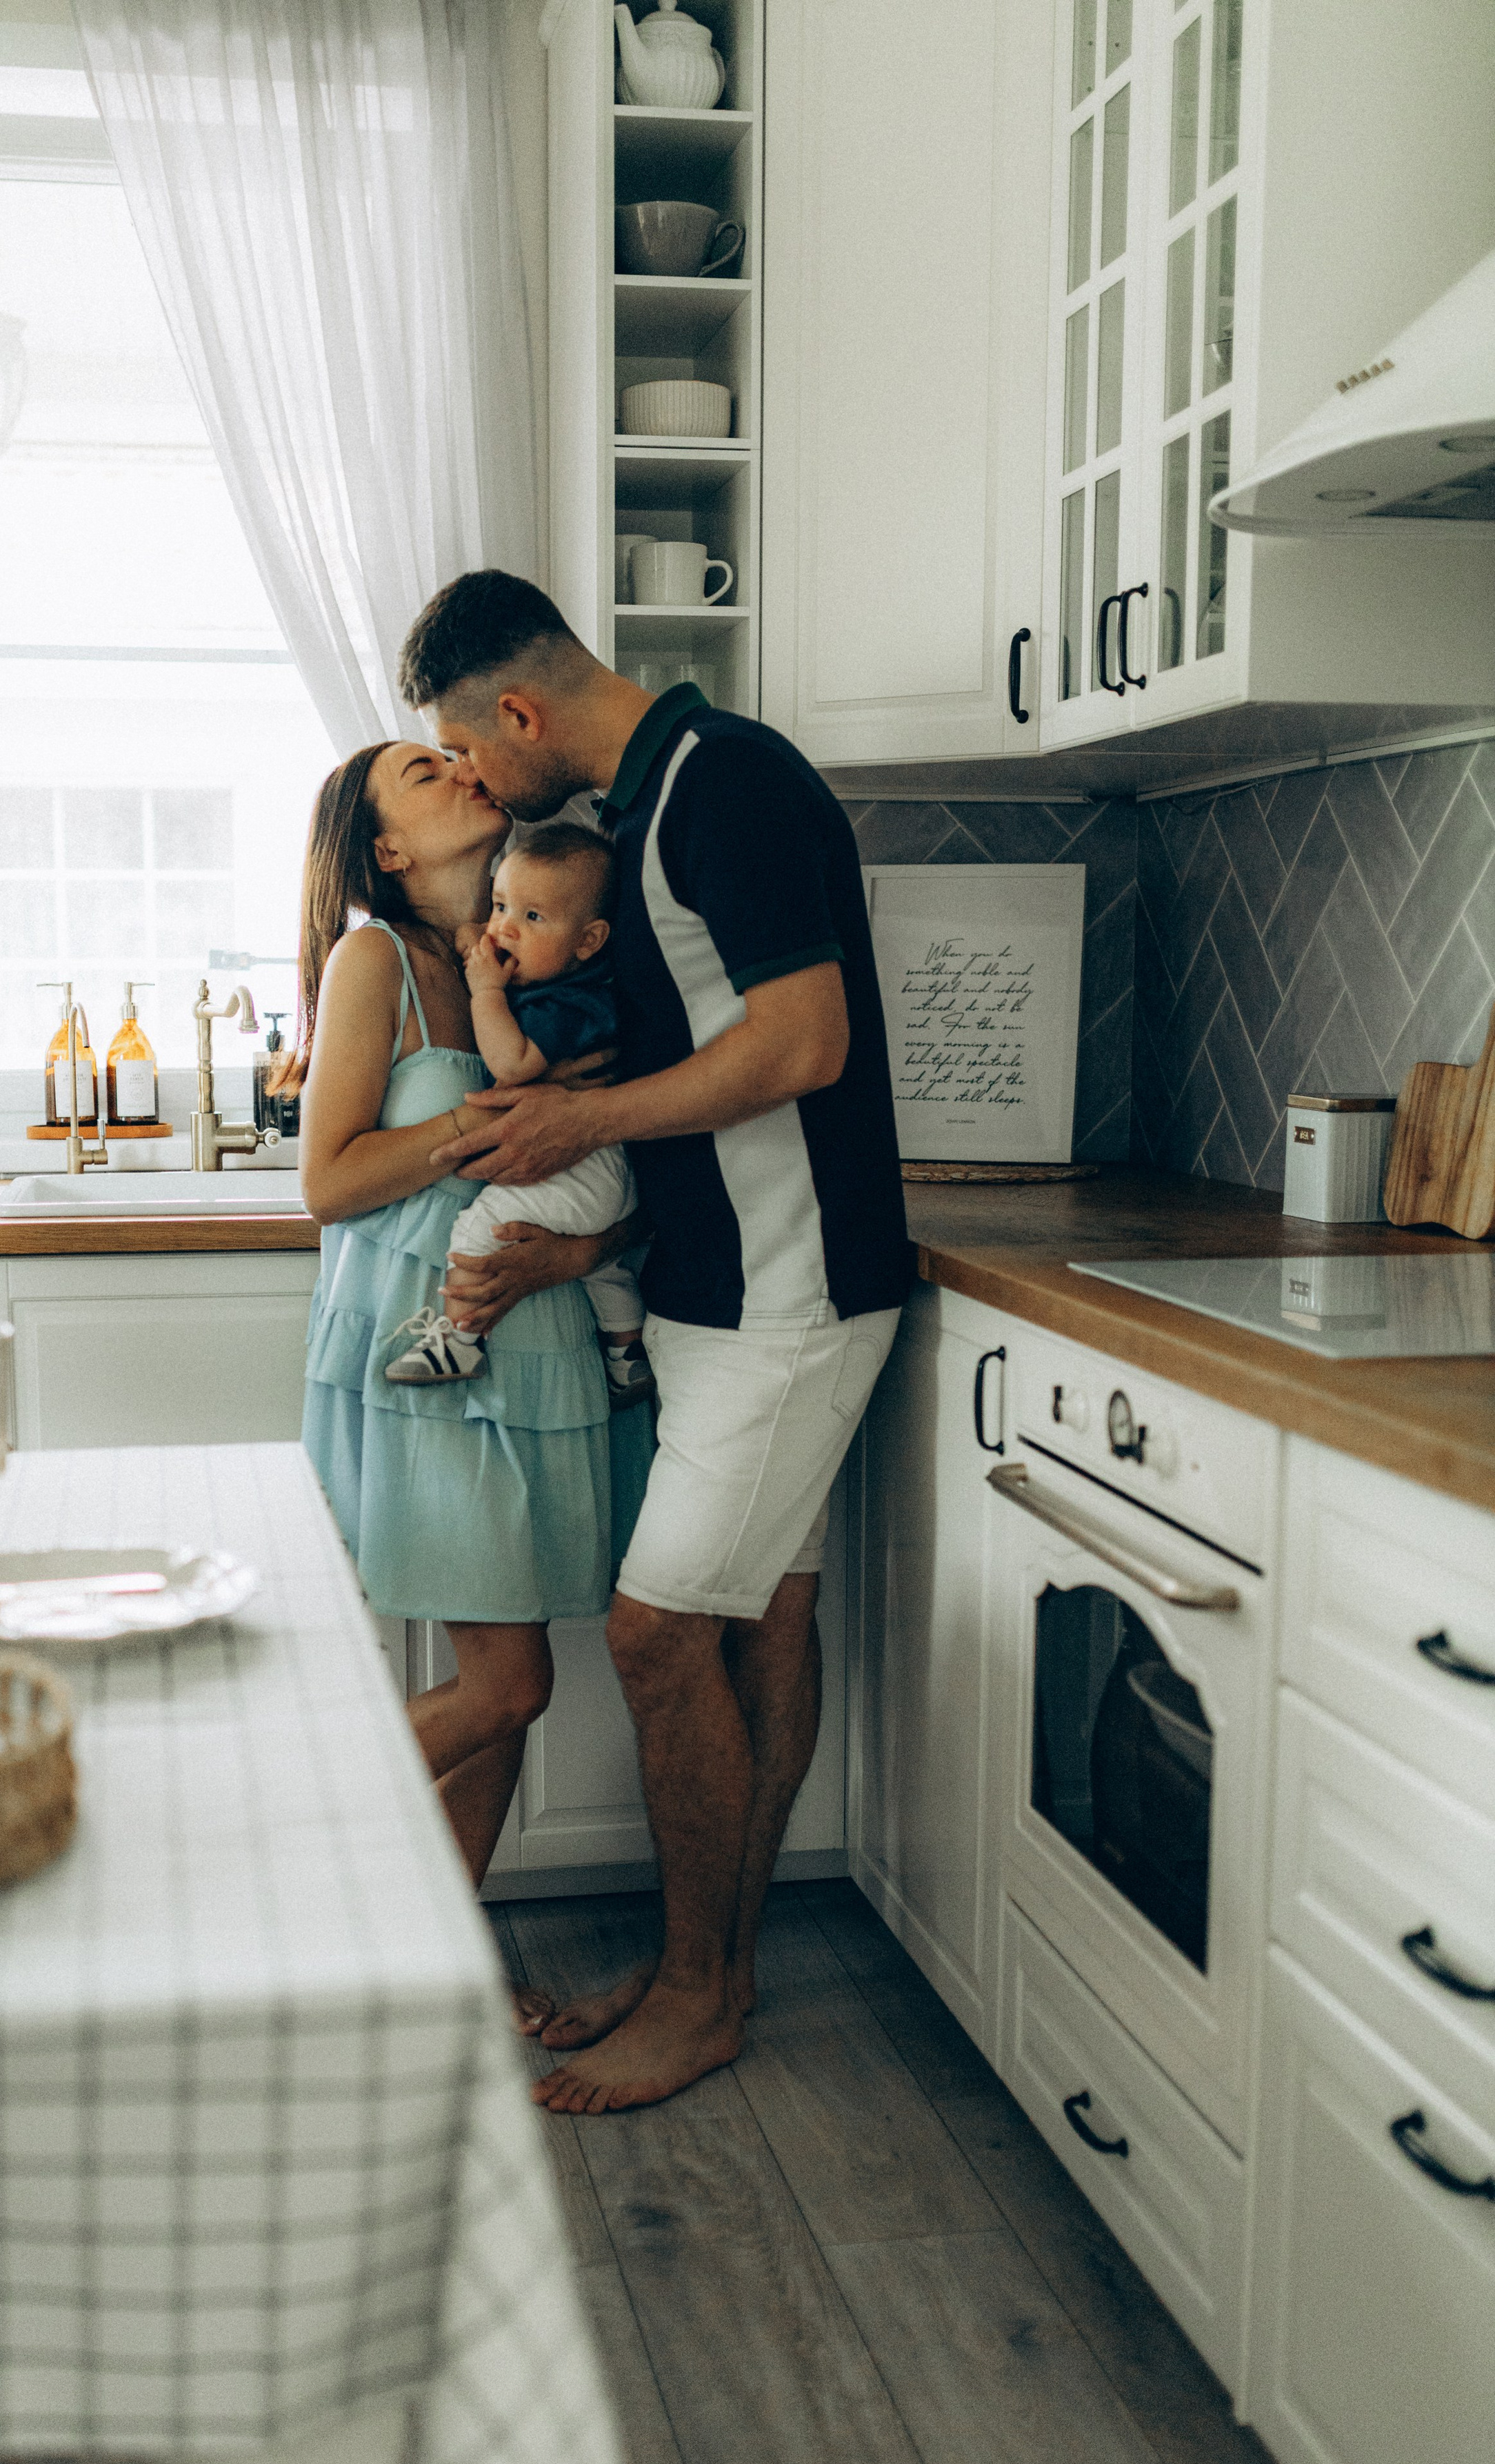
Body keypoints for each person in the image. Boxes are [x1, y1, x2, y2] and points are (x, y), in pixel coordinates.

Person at [398, 570, 912, 2114]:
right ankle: (717, 1970)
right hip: (712, 1283)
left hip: (791, 1291)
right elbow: (687, 1069)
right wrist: (587, 1242)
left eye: (467, 750)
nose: (474, 782)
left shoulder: (727, 784)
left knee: (654, 1635)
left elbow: (801, 1044)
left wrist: (581, 1123)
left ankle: (696, 1995)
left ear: (517, 710)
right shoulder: (636, 815)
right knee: (761, 1623)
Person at [293, 739, 651, 2027]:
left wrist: (583, 1244)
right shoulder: (375, 959)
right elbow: (328, 1182)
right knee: (512, 1684)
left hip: (534, 1338)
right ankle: (275, 1817)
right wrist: (487, 1124)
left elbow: (619, 1164)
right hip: (428, 1363)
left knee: (507, 1674)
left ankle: (444, 1971)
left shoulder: (540, 959)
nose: (458, 769)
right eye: (421, 772)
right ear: (386, 848)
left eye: (455, 755)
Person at [383, 823, 652, 1399]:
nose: (505, 928)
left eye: (533, 917)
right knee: (604, 1267)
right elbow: (480, 937)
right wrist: (474, 937)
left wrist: (485, 992)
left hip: (585, 1170)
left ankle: (460, 1341)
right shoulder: (560, 978)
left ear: (588, 941)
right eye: (500, 905)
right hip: (610, 1171)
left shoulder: (568, 1002)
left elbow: (511, 1066)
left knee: (478, 1229)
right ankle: (627, 1355)